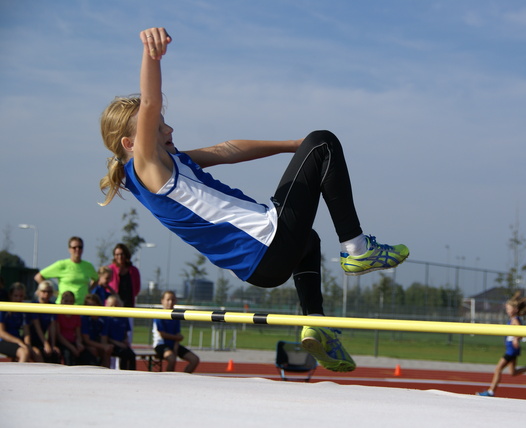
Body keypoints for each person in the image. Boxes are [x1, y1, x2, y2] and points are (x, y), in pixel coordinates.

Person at [98, 27, 409, 372]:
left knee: (308, 241)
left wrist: (291, 145)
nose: (169, 129)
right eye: (158, 127)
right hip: (267, 241)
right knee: (324, 142)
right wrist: (151, 54)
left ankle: (318, 323)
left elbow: (226, 151)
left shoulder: (173, 163)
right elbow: (151, 101)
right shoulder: (147, 168)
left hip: (261, 266)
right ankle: (357, 250)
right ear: (132, 144)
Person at [476, 292, 526, 397]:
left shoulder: (515, 320)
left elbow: (521, 332)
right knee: (513, 373)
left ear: (515, 310)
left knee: (498, 369)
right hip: (512, 349)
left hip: (511, 350)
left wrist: (516, 339)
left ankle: (491, 391)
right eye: (506, 309)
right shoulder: (512, 319)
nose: (507, 311)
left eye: (508, 309)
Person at [34, 236, 98, 305]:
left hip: (82, 306)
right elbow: (38, 276)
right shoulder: (62, 264)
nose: (77, 250)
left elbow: (96, 279)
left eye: (80, 247)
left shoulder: (88, 265)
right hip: (64, 305)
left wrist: (89, 289)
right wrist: (52, 292)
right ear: (69, 249)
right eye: (74, 247)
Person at [152, 291, 199, 373]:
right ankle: (167, 380)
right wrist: (177, 338)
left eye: (173, 300)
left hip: (173, 344)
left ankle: (183, 377)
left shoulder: (175, 315)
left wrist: (176, 347)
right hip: (161, 345)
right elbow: (162, 334)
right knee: (172, 358)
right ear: (162, 301)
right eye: (168, 300)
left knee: (194, 359)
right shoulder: (159, 315)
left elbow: (177, 333)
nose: (170, 302)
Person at [27, 281, 61, 363]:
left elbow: (52, 327)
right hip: (32, 340)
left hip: (43, 340)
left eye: (49, 292)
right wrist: (46, 344)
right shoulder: (34, 305)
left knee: (55, 353)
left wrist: (53, 345)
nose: (46, 294)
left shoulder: (52, 306)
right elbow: (37, 326)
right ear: (38, 292)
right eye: (44, 291)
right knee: (38, 355)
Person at [102, 294, 137, 370]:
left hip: (122, 344)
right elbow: (106, 337)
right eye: (111, 305)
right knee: (124, 354)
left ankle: (132, 373)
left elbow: (125, 333)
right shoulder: (107, 319)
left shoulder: (123, 318)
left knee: (132, 355)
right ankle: (122, 373)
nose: (114, 308)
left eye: (116, 305)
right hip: (113, 344)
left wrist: (125, 340)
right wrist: (119, 344)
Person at [0, 282, 31, 362]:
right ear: (10, 296)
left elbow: (26, 331)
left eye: (21, 296)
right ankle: (19, 374)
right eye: (15, 296)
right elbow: (1, 332)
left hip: (17, 341)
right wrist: (19, 342)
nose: (18, 299)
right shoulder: (4, 309)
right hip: (3, 341)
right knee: (23, 352)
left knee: (36, 352)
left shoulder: (22, 310)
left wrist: (27, 344)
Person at [81, 294, 113, 367]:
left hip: (97, 342)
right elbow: (86, 340)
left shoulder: (104, 319)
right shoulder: (84, 318)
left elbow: (103, 337)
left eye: (94, 305)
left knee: (107, 350)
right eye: (89, 305)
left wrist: (105, 347)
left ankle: (107, 372)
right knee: (93, 350)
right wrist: (103, 346)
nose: (91, 308)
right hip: (86, 344)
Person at [56, 291, 87, 366]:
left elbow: (78, 333)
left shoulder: (76, 315)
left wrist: (79, 343)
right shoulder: (58, 314)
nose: (68, 303)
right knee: (68, 354)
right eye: (66, 301)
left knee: (86, 355)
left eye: (71, 301)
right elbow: (58, 335)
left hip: (73, 342)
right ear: (61, 301)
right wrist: (72, 347)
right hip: (62, 343)